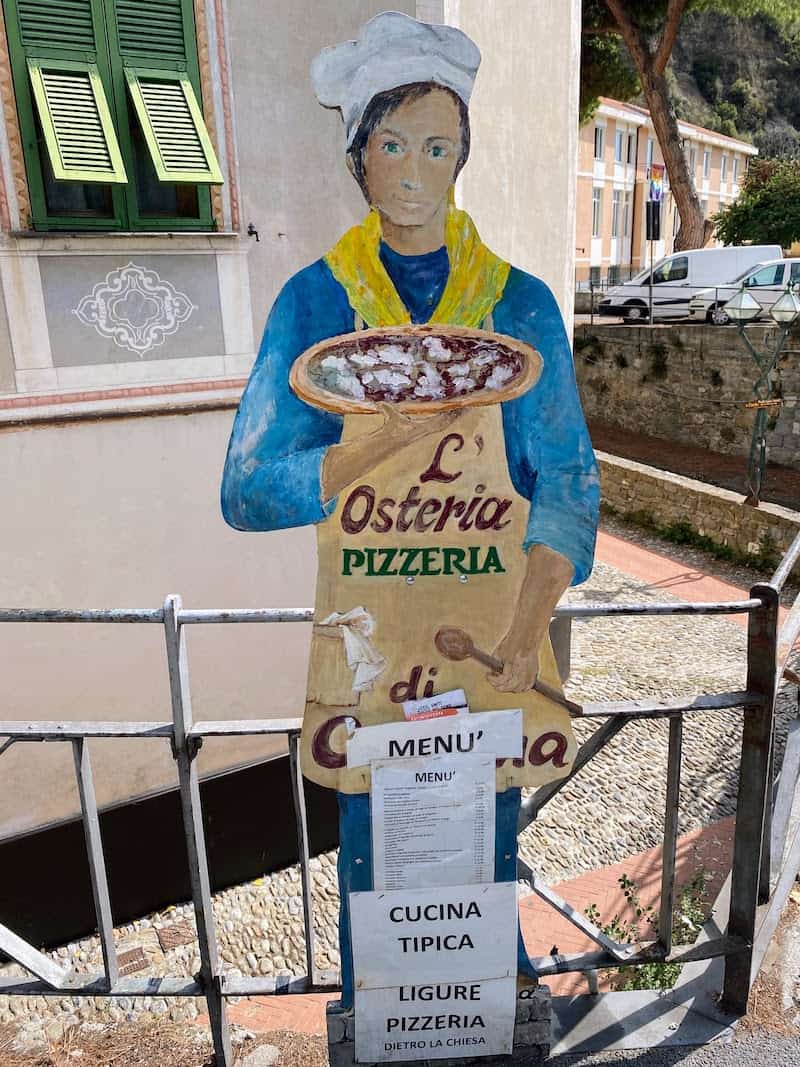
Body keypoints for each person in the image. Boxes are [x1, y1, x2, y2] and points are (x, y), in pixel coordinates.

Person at [222, 11, 599, 1006]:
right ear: (355, 155)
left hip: (487, 646)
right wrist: (375, 441)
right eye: (390, 144)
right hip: (368, 657)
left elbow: (567, 479)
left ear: (463, 154)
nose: (413, 172)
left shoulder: (518, 308)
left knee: (481, 865)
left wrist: (527, 627)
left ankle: (481, 1019)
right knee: (376, 885)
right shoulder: (315, 305)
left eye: (437, 146)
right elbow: (248, 485)